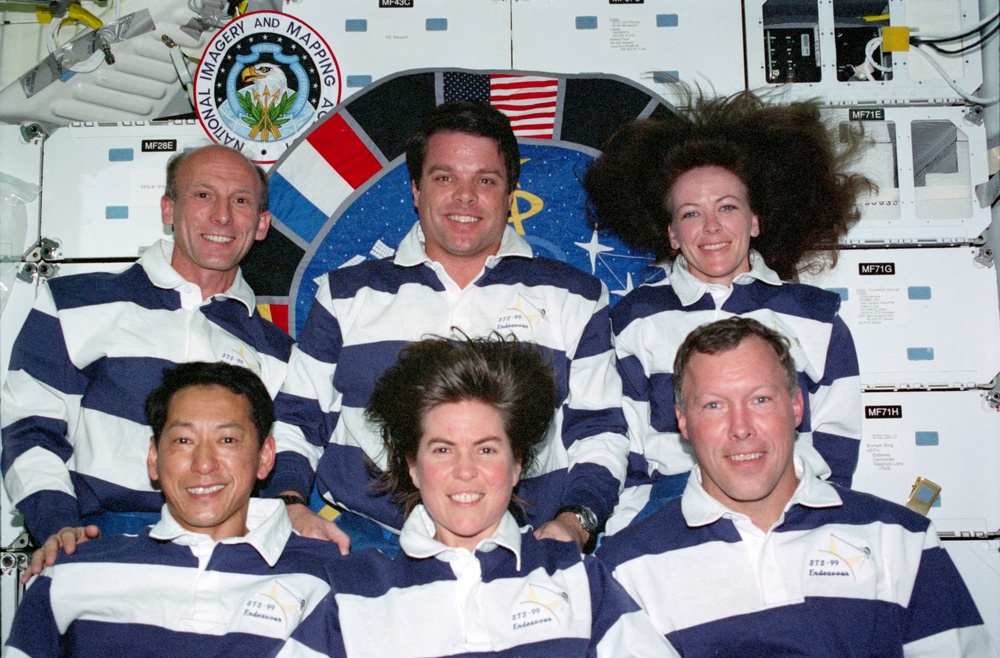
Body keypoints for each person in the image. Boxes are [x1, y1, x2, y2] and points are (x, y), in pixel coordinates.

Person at [268, 100, 628, 553]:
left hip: (525, 545)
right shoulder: (345, 295)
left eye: (485, 180)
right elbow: (296, 420)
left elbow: (600, 433)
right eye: (444, 178)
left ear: (509, 193)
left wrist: (576, 522)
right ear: (417, 191)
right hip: (364, 543)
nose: (465, 196)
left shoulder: (574, 297)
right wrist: (288, 504)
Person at [596, 317, 996, 656]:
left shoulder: (901, 539)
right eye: (714, 405)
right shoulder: (625, 570)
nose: (741, 429)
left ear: (796, 406)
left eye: (761, 400)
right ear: (683, 422)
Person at [277, 336, 676, 657]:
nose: (465, 471)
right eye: (442, 449)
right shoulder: (352, 593)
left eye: (486, 449)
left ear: (517, 464)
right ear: (412, 467)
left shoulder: (579, 578)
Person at [582, 91, 872, 532]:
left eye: (727, 208)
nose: (712, 227)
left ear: (754, 221)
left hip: (792, 515)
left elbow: (836, 453)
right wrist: (638, 536)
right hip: (669, 516)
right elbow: (626, 450)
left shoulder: (817, 318)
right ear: (673, 234)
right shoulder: (633, 321)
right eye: (692, 214)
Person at [1, 144, 303, 559]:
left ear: (262, 223)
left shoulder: (280, 353)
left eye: (241, 201)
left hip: (226, 558)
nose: (222, 215)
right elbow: (29, 426)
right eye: (202, 195)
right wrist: (59, 524)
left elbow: (282, 457)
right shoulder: (75, 304)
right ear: (167, 209)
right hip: (96, 543)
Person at [5, 362, 343, 657]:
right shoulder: (69, 574)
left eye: (227, 440)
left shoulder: (327, 580)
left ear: (265, 457)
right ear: (154, 458)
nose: (204, 464)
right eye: (184, 441)